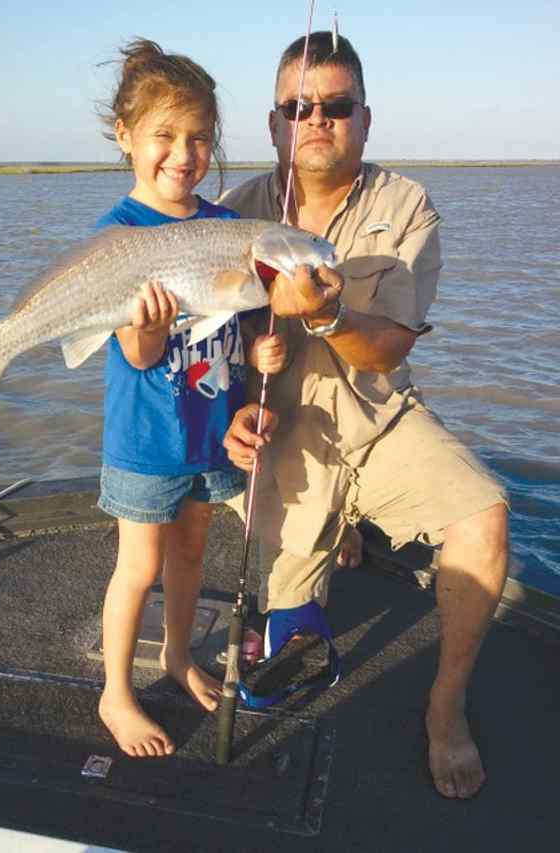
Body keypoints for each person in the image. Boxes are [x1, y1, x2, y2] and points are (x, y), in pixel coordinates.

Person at [221, 31, 509, 799]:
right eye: (298, 106)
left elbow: (386, 348)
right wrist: (233, 406)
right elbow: (208, 348)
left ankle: (445, 708)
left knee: (485, 515)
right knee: (288, 649)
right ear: (275, 122)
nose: (318, 117)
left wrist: (325, 314)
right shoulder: (231, 212)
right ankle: (326, 543)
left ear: (365, 118)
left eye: (337, 104)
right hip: (284, 440)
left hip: (379, 421)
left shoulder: (407, 205)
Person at [94, 39, 286, 759]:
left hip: (209, 432)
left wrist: (267, 351)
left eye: (199, 138)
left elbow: (234, 326)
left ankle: (178, 655)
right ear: (126, 138)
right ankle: (116, 689)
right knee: (138, 564)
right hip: (146, 439)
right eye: (164, 137)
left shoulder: (224, 228)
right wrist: (147, 330)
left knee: (192, 552)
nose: (183, 154)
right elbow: (137, 353)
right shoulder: (116, 236)